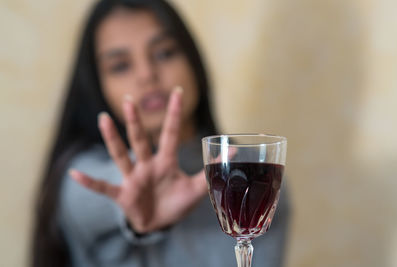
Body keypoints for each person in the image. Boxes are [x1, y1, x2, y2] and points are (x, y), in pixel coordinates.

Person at [31, 0, 290, 266]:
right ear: (98, 87)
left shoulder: (260, 180)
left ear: (193, 61)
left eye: (165, 53)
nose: (147, 74)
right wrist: (132, 203)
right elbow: (97, 196)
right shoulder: (82, 178)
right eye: (120, 66)